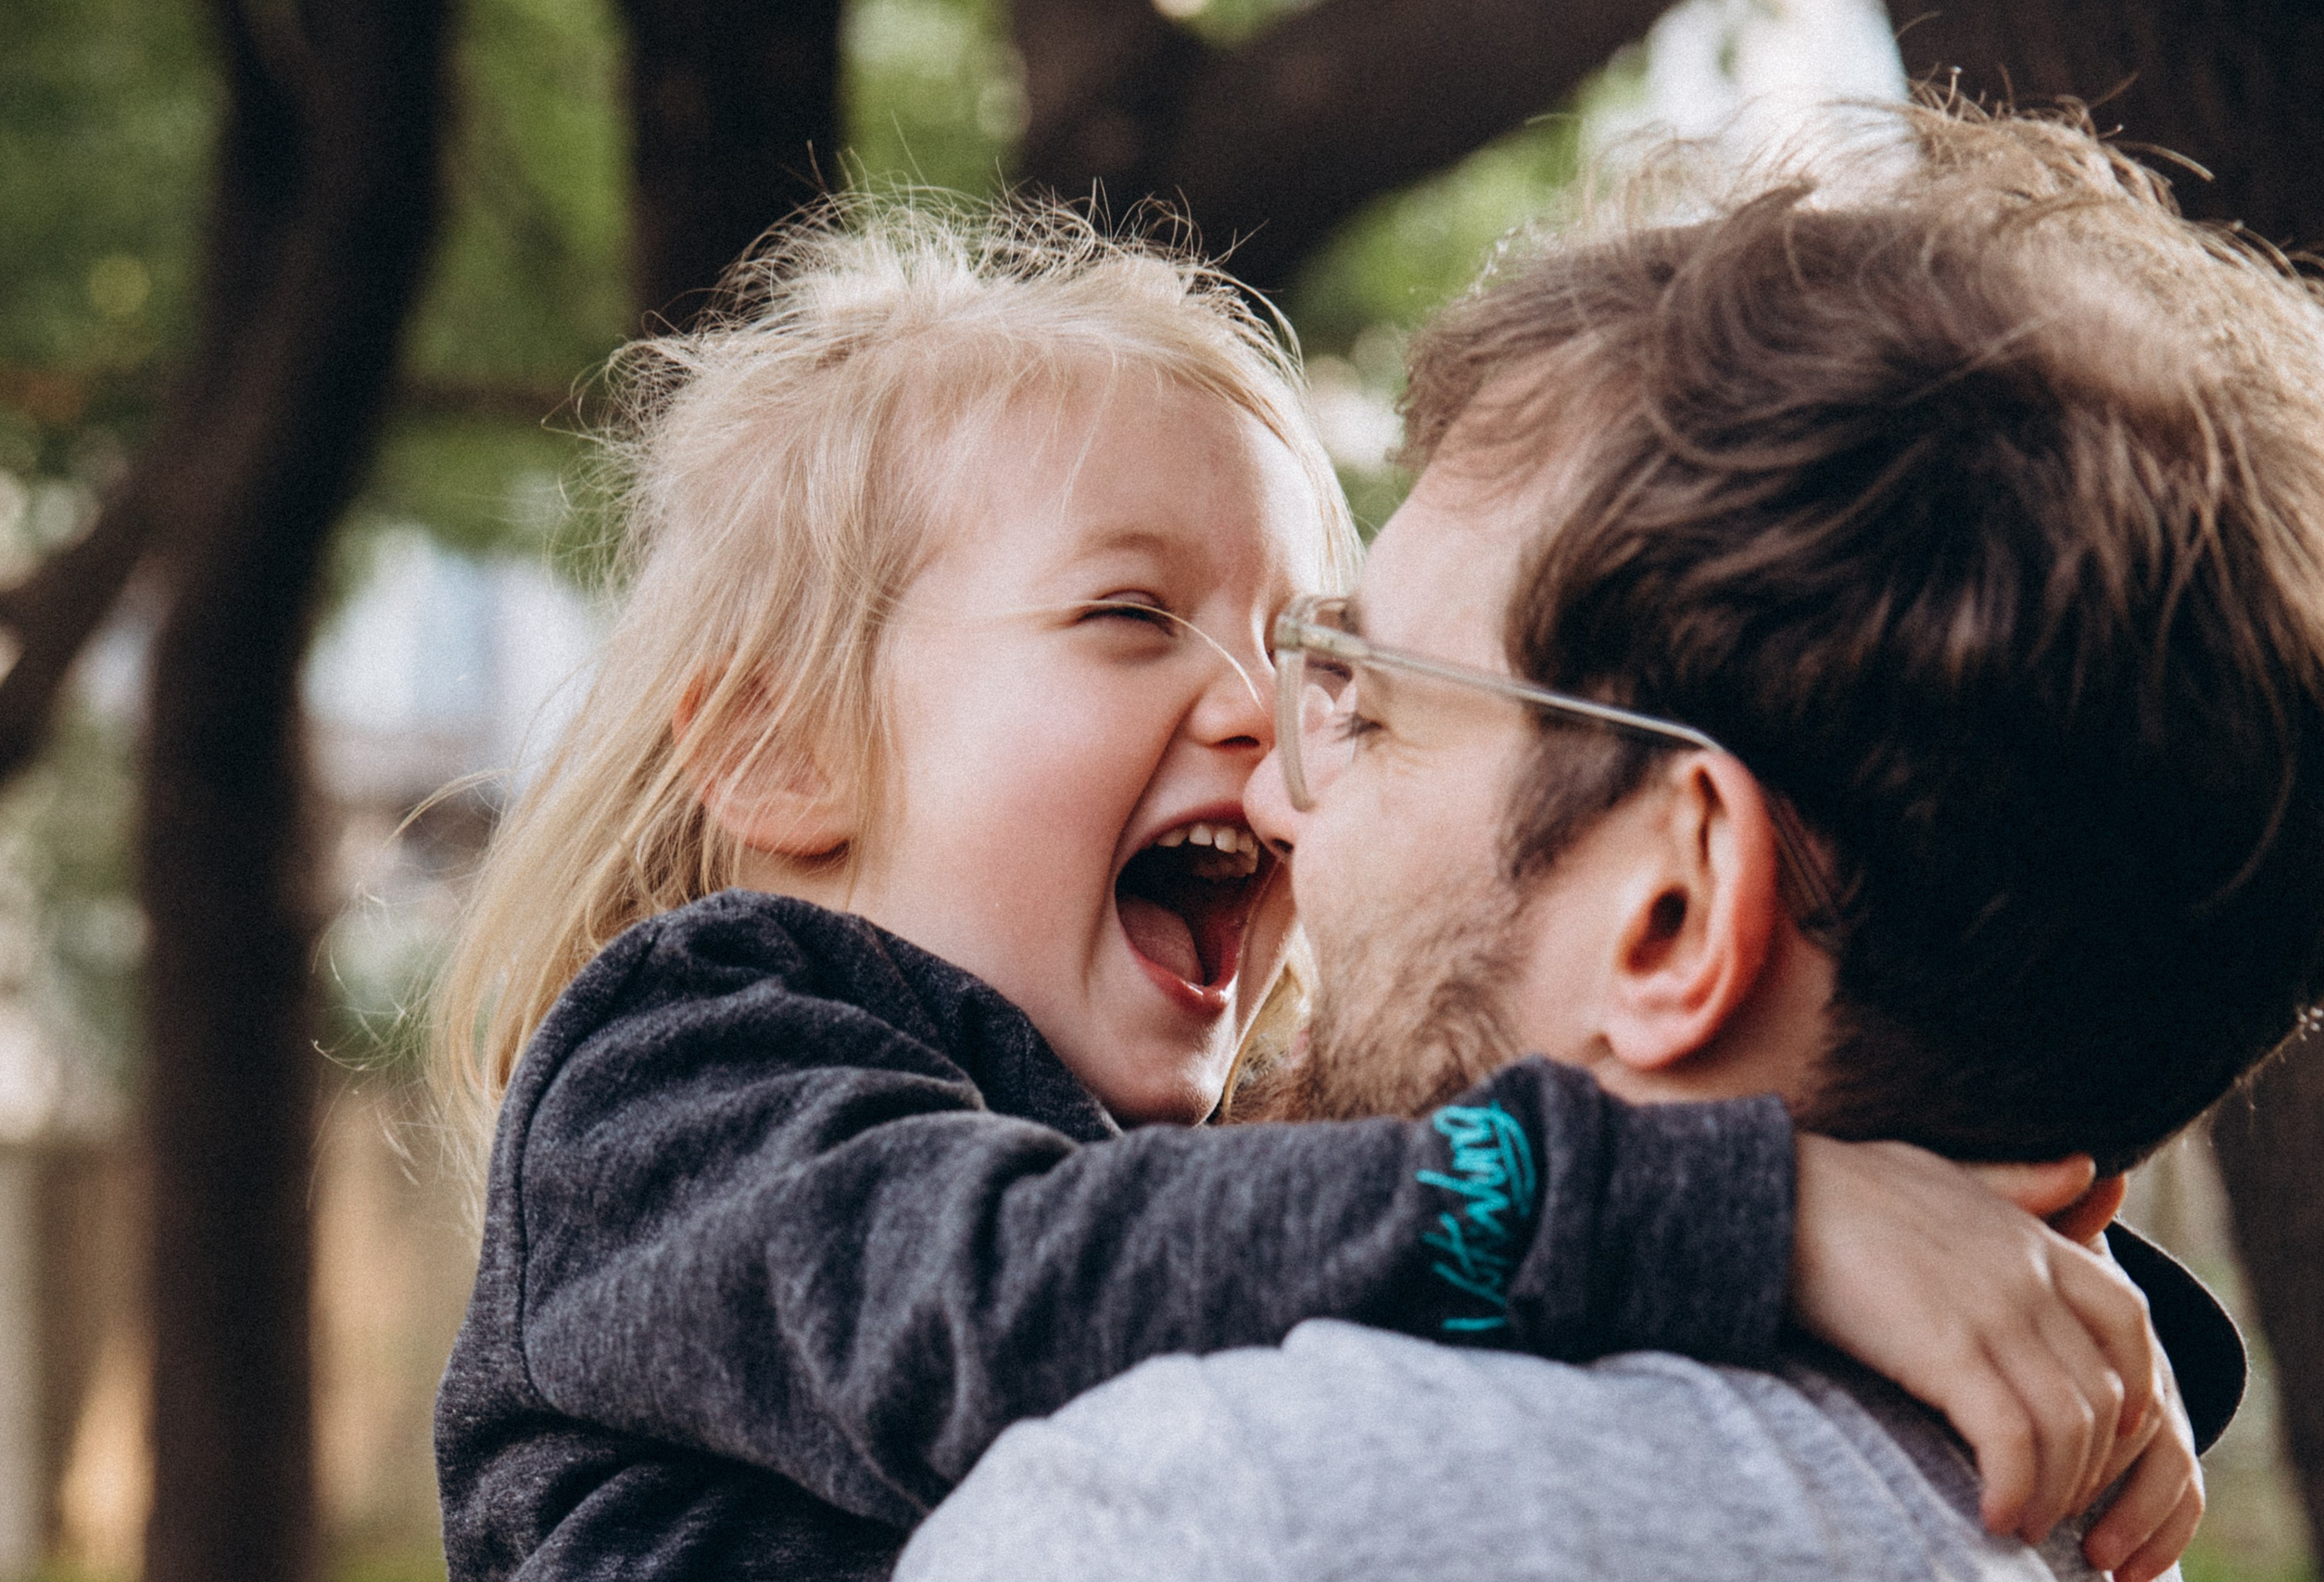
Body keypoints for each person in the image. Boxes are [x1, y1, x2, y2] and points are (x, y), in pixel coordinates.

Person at [428, 198, 2183, 1581]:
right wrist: (1762, 1217)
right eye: (1129, 615)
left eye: (1309, 651)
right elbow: (1012, 1298)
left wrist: (2068, 1322)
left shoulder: (1185, 1180)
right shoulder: (668, 1088)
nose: (1272, 722)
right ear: (783, 748)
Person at [893, 102, 2324, 1582]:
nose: (1274, 794)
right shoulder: (2051, 1529)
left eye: (1374, 710)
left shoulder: (1213, 1511)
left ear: (1672, 915)